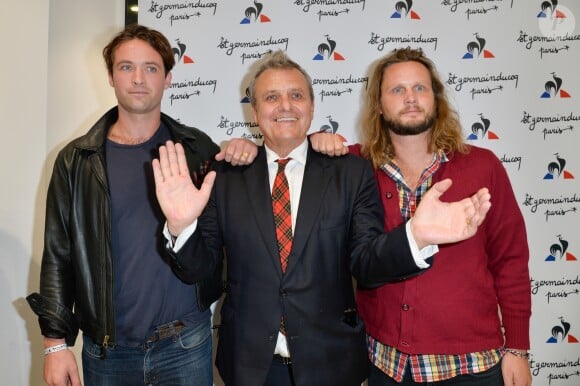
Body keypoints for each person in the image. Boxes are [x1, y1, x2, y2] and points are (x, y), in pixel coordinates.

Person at [152, 50, 491, 386]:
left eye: (296, 95)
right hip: (250, 367)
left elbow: (367, 265)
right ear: (254, 111)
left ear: (312, 107)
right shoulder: (225, 174)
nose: (285, 105)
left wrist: (415, 237)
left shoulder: (350, 172)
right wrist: (181, 227)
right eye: (271, 97)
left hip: (332, 365)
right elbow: (200, 268)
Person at [26, 24, 257, 386]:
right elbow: (59, 253)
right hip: (108, 353)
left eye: (150, 68)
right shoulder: (76, 161)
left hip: (186, 343)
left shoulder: (197, 149)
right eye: (126, 67)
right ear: (110, 76)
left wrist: (250, 152)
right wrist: (56, 345)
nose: (138, 78)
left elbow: (231, 231)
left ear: (167, 78)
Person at [310, 47, 532, 386]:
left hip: (471, 367)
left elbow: (511, 262)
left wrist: (517, 348)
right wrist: (313, 141)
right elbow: (292, 161)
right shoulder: (354, 166)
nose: (410, 98)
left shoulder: (483, 166)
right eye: (397, 90)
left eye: (420, 88)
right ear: (380, 106)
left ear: (436, 98)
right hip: (385, 365)